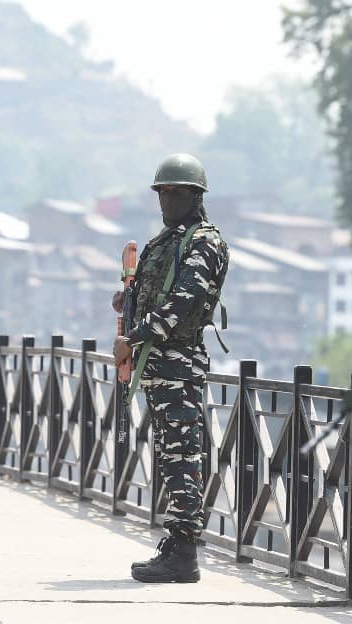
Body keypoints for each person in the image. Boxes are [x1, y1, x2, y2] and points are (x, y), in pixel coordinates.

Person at [112, 153, 229, 583]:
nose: (166, 200)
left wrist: (135, 338)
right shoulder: (168, 240)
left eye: (175, 193)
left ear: (195, 196)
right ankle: (175, 543)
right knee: (169, 454)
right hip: (158, 365)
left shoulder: (204, 241)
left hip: (178, 364)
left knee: (183, 456)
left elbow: (185, 302)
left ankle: (183, 553)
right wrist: (128, 301)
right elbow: (155, 290)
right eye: (162, 193)